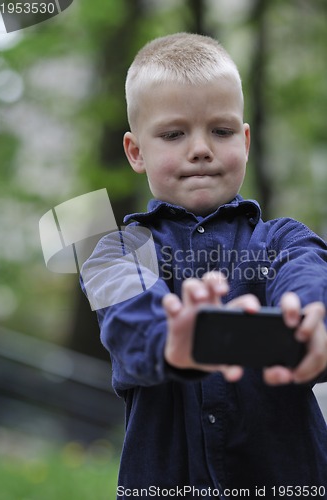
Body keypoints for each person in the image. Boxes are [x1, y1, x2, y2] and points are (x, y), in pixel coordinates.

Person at [81, 33, 327, 499]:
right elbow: (125, 312)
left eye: (221, 130)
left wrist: (310, 316)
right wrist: (175, 335)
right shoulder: (113, 252)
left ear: (246, 140)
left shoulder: (284, 238)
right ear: (136, 151)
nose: (201, 149)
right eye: (174, 134)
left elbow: (310, 272)